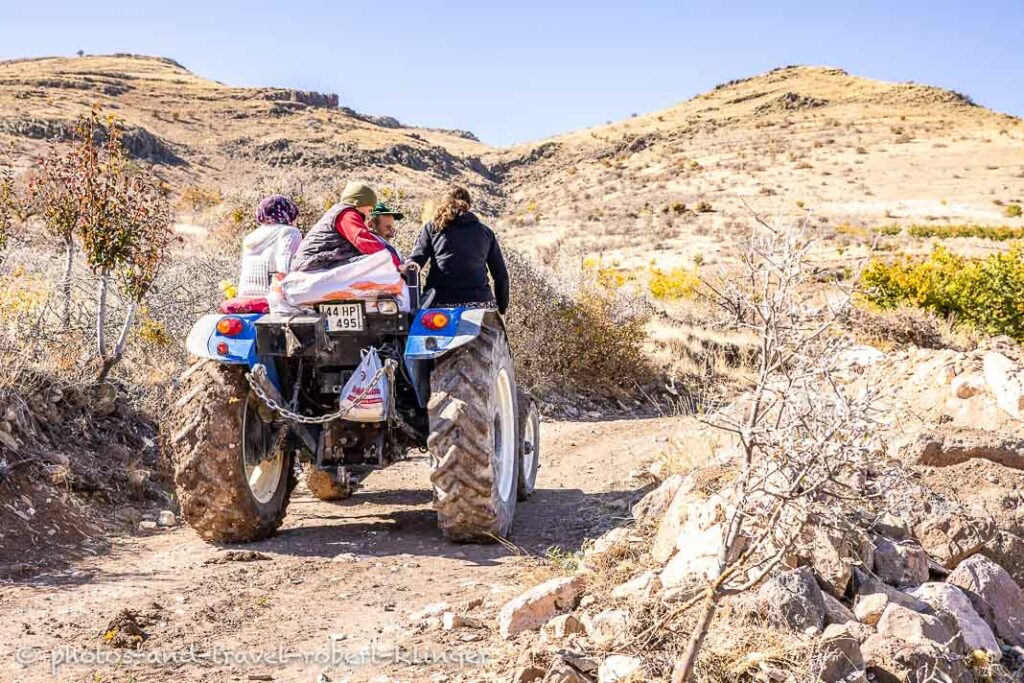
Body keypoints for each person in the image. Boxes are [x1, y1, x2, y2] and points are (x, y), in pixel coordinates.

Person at [406, 186, 509, 314]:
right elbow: (501, 275)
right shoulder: (485, 232)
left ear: (444, 203)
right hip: (480, 303)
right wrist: (502, 308)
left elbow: (415, 263)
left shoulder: (433, 228)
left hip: (439, 302)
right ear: (469, 205)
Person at [292, 181, 401, 273]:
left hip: (314, 261)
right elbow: (363, 241)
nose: (371, 212)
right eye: (371, 207)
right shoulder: (347, 214)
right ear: (359, 202)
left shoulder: (341, 212)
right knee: (375, 263)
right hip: (313, 263)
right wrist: (394, 263)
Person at [233, 194, 302, 301]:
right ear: (289, 213)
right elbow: (284, 269)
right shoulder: (289, 232)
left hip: (244, 298)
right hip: (272, 300)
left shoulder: (251, 237)